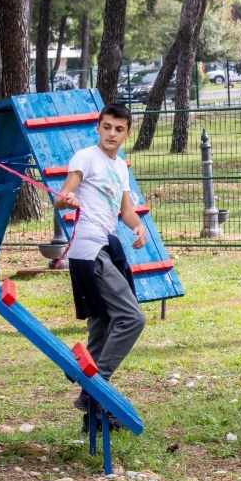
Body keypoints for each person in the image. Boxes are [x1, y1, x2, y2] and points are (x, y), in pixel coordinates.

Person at [53, 103, 147, 431]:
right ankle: (95, 392)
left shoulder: (120, 167)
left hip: (105, 247)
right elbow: (61, 195)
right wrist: (67, 198)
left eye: (119, 129)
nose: (112, 134)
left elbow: (126, 211)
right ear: (98, 127)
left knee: (104, 325)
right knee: (132, 318)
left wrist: (139, 227)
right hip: (88, 251)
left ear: (127, 133)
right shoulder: (85, 157)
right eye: (107, 127)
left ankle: (90, 410)